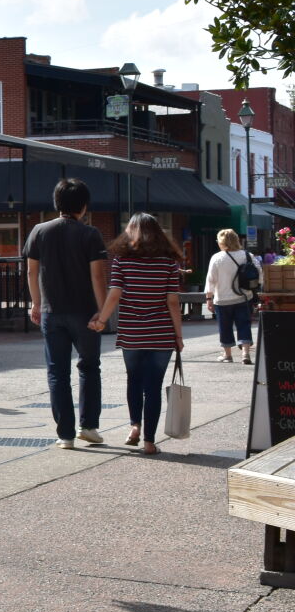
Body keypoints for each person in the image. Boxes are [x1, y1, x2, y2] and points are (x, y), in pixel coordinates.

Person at [23, 178, 109, 449]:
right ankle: (89, 426)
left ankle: (65, 434)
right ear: (83, 206)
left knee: (57, 373)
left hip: (52, 311)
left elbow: (31, 271)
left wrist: (36, 303)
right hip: (85, 311)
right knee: (89, 367)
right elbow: (98, 276)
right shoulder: (90, 234)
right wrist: (103, 312)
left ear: (56, 202)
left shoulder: (39, 230)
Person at [90, 213, 184, 456]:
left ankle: (134, 426)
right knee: (153, 386)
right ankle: (150, 442)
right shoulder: (169, 262)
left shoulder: (122, 261)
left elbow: (114, 294)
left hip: (132, 332)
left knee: (134, 379)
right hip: (161, 332)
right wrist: (179, 335)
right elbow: (172, 302)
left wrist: (102, 320)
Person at [204, 228, 258, 365]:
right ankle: (245, 353)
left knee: (225, 326)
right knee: (244, 324)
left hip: (222, 299)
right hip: (243, 297)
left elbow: (211, 280)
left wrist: (209, 298)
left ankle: (227, 355)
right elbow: (259, 274)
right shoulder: (247, 255)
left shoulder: (217, 258)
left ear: (221, 242)